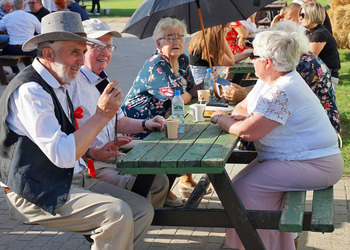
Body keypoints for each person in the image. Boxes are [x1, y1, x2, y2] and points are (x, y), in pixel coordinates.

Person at [0, 11, 153, 249]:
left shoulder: (58, 82)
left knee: (141, 209)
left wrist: (92, 153)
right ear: (48, 54)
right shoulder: (31, 91)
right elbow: (62, 155)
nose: (82, 60)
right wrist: (102, 115)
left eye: (83, 52)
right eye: (75, 52)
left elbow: (63, 142)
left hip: (69, 178)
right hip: (34, 190)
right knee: (116, 213)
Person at [210, 25, 343, 250]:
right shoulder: (274, 80)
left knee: (241, 192)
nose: (251, 60)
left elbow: (249, 132)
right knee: (237, 189)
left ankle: (253, 245)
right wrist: (238, 118)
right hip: (296, 159)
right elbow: (245, 108)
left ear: (268, 62)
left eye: (254, 56)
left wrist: (220, 119)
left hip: (317, 163)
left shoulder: (282, 89)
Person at [68, 18, 169, 208]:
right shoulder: (73, 84)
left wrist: (147, 123)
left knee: (158, 176)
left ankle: (139, 221)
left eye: (109, 47)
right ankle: (132, 221)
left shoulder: (102, 80)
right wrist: (94, 153)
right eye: (97, 46)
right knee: (148, 184)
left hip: (114, 155)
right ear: (82, 48)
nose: (104, 53)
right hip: (92, 163)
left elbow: (119, 122)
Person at [121, 17, 199, 206]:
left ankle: (179, 181)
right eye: (170, 37)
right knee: (181, 137)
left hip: (163, 119)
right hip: (139, 125)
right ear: (158, 43)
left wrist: (202, 85)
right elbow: (177, 97)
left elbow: (191, 91)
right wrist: (189, 92)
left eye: (180, 37)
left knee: (189, 133)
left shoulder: (182, 59)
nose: (176, 41)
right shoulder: (156, 64)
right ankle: (163, 188)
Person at [225, 20, 340, 133]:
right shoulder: (300, 58)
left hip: (317, 130)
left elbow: (251, 128)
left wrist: (243, 94)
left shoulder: (300, 65)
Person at [187, 23, 250, 88]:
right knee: (234, 90)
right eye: (228, 27)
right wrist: (223, 39)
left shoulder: (204, 37)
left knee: (235, 88)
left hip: (210, 75)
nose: (230, 29)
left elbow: (231, 59)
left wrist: (248, 54)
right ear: (221, 29)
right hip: (202, 80)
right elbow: (231, 61)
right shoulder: (210, 41)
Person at [300, 1, 341, 88]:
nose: (299, 18)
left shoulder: (319, 34)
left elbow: (309, 59)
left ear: (312, 15)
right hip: (317, 75)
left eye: (302, 15)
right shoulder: (309, 32)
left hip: (326, 77)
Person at [0, 0, 41, 74]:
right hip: (30, 49)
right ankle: (29, 72)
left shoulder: (7, 17)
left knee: (4, 52)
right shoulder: (32, 17)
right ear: (24, 6)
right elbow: (40, 30)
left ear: (12, 6)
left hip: (14, 49)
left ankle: (16, 71)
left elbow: (0, 28)